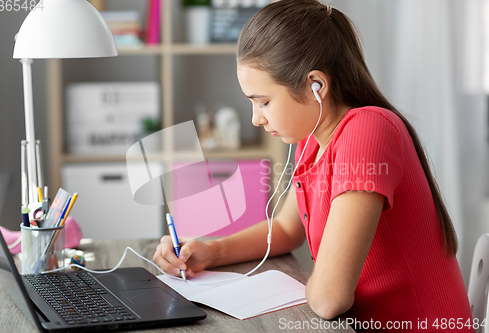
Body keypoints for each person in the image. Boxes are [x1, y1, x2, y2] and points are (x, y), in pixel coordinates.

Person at [153, 0, 473, 330]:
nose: (256, 118)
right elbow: (288, 230)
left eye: (264, 101)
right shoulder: (312, 138)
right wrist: (210, 251)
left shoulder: (367, 131)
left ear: (316, 85)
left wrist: (299, 288)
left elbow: (328, 298)